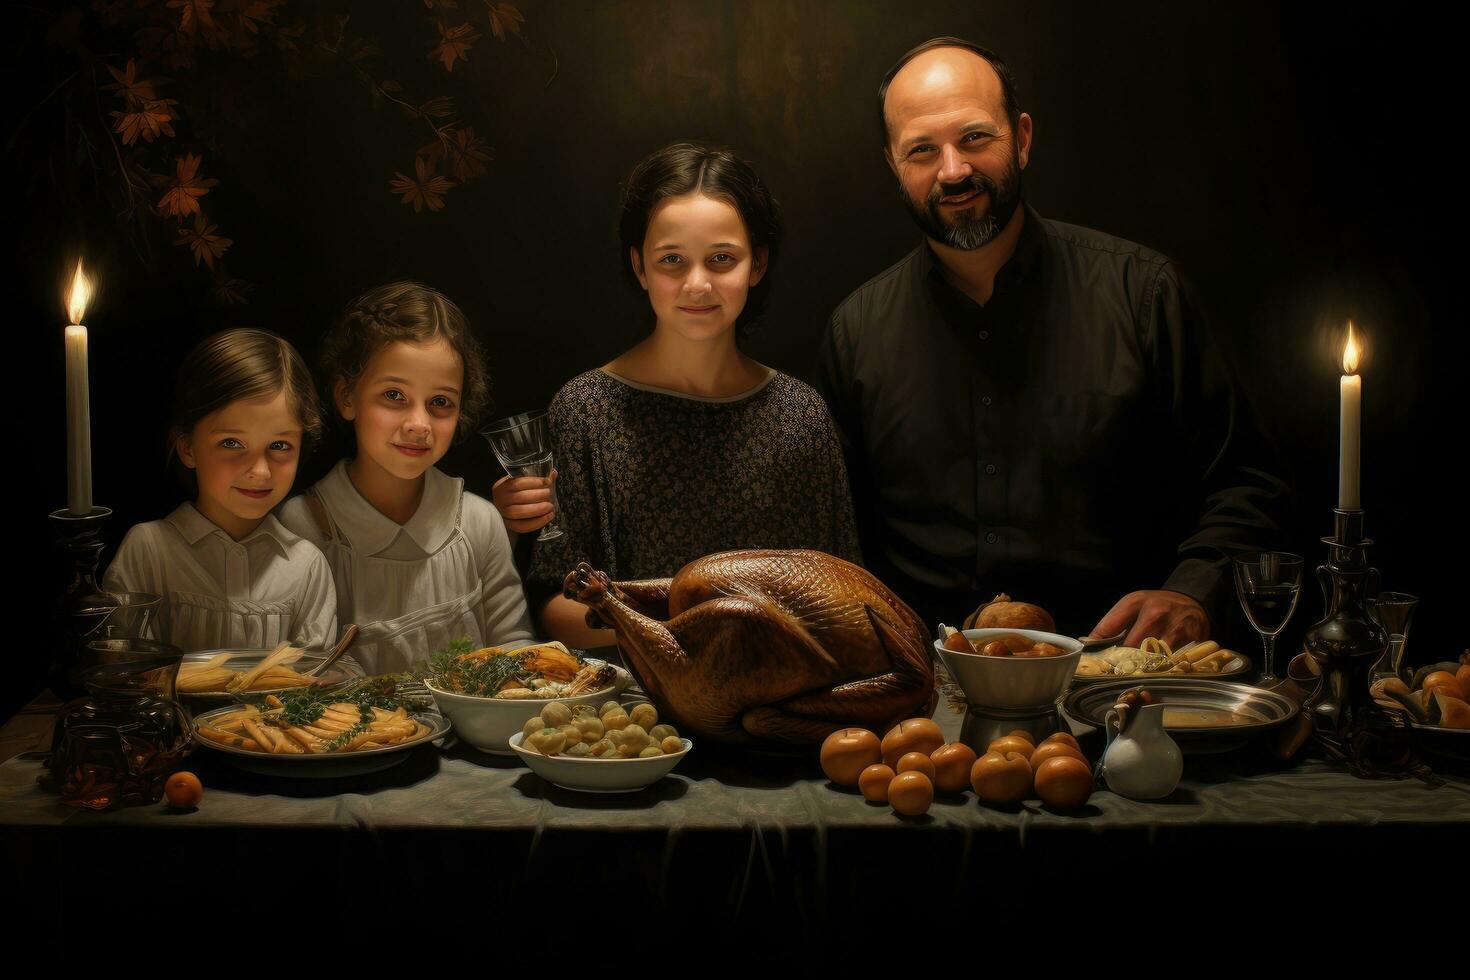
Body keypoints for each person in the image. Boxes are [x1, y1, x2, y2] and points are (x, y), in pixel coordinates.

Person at [817, 37, 1290, 645]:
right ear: (893, 165)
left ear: (1023, 138)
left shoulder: (1145, 294)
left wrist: (1192, 589)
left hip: (1119, 682)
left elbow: (1248, 480)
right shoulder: (853, 333)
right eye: (923, 150)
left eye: (975, 138)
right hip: (925, 705)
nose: (953, 170)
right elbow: (835, 540)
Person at [520, 142, 861, 648]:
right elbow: (555, 607)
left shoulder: (800, 414)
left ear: (758, 264)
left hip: (778, 702)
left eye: (722, 258)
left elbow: (843, 596)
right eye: (672, 260)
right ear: (639, 266)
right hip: (631, 713)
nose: (697, 284)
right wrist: (689, 628)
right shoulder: (585, 410)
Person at [278, 282, 536, 673]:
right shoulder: (305, 526)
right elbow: (298, 676)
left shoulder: (479, 522)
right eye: (394, 396)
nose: (419, 424)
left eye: (440, 403)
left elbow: (515, 650)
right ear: (347, 397)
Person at [103, 329, 338, 652]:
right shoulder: (150, 551)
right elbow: (126, 671)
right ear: (187, 447)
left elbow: (313, 684)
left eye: (279, 445)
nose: (260, 471)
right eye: (232, 443)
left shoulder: (307, 566)